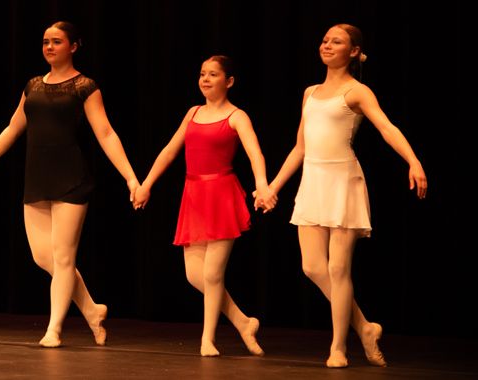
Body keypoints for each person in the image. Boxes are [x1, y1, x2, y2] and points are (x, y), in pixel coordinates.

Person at [0, 22, 139, 347]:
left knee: (63, 258)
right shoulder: (32, 85)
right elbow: (14, 127)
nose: (49, 47)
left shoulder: (84, 86)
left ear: (73, 46)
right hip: (37, 178)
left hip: (71, 178)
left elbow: (106, 133)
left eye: (56, 42)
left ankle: (53, 329)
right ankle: (91, 309)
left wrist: (130, 176)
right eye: (45, 42)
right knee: (43, 257)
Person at [265, 24, 427, 368]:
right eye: (324, 40)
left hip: (343, 181)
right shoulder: (310, 93)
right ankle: (365, 327)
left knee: (339, 268)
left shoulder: (357, 91)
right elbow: (300, 147)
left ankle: (338, 347)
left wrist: (413, 160)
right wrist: (273, 186)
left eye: (336, 41)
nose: (327, 45)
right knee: (312, 266)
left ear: (353, 51)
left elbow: (387, 127)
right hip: (313, 182)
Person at [132, 56, 270, 357]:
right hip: (193, 194)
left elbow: (254, 152)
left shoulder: (237, 116)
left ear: (229, 81)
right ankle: (243, 322)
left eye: (213, 74)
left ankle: (208, 339)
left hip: (221, 194)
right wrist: (146, 184)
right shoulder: (193, 113)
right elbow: (170, 150)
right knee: (194, 275)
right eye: (202, 74)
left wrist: (262, 185)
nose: (205, 79)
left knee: (212, 275)